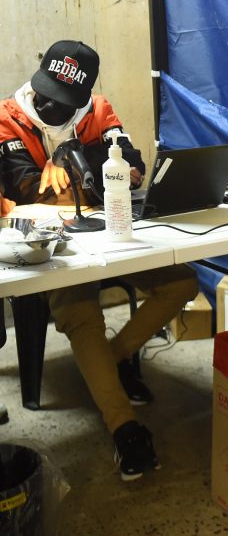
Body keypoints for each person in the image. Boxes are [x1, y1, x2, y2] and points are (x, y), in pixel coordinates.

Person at [0, 40, 198, 480]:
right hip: (51, 249)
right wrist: (91, 176)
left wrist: (69, 161)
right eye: (46, 94)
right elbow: (25, 190)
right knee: (78, 308)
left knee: (182, 283)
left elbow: (133, 165)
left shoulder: (97, 110)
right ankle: (124, 428)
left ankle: (114, 357)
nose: (51, 106)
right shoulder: (6, 118)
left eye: (65, 101)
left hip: (112, 232)